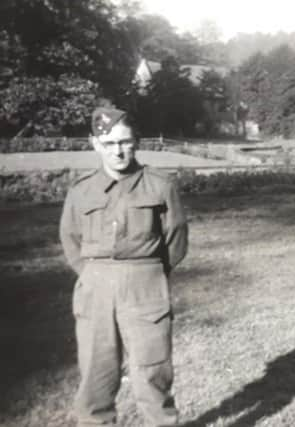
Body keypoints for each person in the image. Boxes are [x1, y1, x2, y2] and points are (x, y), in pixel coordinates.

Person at [59, 106, 188, 426]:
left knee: (153, 374)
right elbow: (71, 241)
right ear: (95, 144)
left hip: (145, 285)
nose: (118, 151)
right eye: (110, 144)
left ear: (136, 142)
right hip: (95, 289)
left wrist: (149, 273)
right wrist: (94, 276)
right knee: (96, 377)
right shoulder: (81, 190)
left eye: (126, 142)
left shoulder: (159, 186)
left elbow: (176, 239)